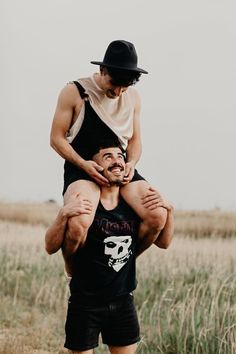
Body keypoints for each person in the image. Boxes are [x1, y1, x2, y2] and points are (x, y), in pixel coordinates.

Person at [50, 39, 169, 271]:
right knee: (78, 223)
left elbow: (135, 141)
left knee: (157, 216)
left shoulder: (133, 97)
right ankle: (72, 270)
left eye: (124, 87)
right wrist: (83, 164)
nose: (118, 92)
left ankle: (122, 267)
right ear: (102, 70)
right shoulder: (74, 92)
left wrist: (131, 163)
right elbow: (56, 139)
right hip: (82, 166)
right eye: (114, 84)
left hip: (118, 165)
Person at [45, 140, 174, 354]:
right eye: (108, 157)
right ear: (95, 168)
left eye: (120, 156)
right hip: (85, 302)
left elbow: (165, 242)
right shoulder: (86, 207)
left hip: (123, 301)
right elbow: (49, 247)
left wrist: (170, 209)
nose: (117, 161)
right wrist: (63, 214)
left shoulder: (134, 208)